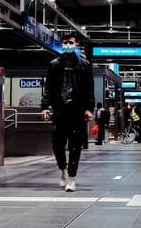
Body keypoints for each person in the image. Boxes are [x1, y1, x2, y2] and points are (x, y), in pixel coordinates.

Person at [41, 33, 94, 192]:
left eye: (70, 42)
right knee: (57, 144)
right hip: (60, 110)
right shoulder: (54, 64)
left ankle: (72, 177)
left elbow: (89, 88)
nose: (68, 45)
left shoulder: (84, 65)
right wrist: (44, 106)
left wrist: (89, 109)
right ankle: (62, 168)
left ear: (76, 44)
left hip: (77, 111)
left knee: (75, 146)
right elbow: (48, 87)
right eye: (65, 42)